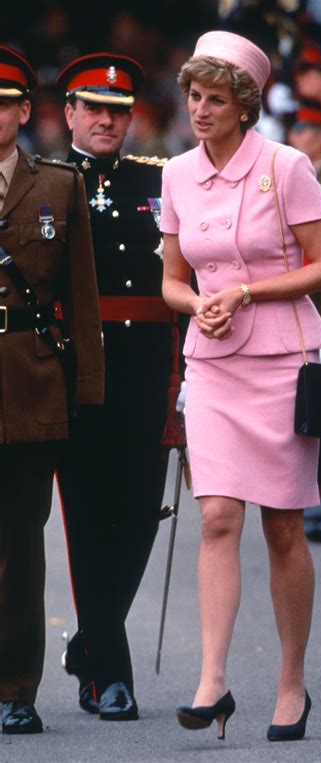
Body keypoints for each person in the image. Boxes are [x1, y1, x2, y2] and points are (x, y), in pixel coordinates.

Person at [160, 30, 321, 742]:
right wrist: (196, 303)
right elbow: (171, 278)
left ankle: (292, 683)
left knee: (283, 525)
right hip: (211, 363)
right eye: (193, 97)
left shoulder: (286, 165)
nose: (200, 110)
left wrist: (246, 290)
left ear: (243, 105)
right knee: (215, 518)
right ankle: (212, 678)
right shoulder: (176, 174)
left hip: (281, 363)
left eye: (214, 98)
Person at [55, 53, 180, 720]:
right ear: (67, 113)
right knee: (87, 514)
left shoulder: (163, 180)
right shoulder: (48, 182)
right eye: (94, 109)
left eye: (119, 111)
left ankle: (91, 641)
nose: (107, 120)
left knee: (138, 511)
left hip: (146, 362)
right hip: (76, 364)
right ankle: (108, 671)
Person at [0, 45, 104, 734]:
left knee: (19, 543)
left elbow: (83, 298)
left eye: (6, 102)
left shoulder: (58, 186)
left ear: (25, 110)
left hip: (28, 386)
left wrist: (87, 391)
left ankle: (15, 685)